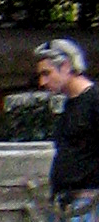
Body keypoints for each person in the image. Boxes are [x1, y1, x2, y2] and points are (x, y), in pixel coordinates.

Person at [36, 39, 99, 199]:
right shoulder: (70, 103)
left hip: (87, 205)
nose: (42, 82)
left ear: (65, 66)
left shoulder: (94, 101)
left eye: (46, 73)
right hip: (68, 202)